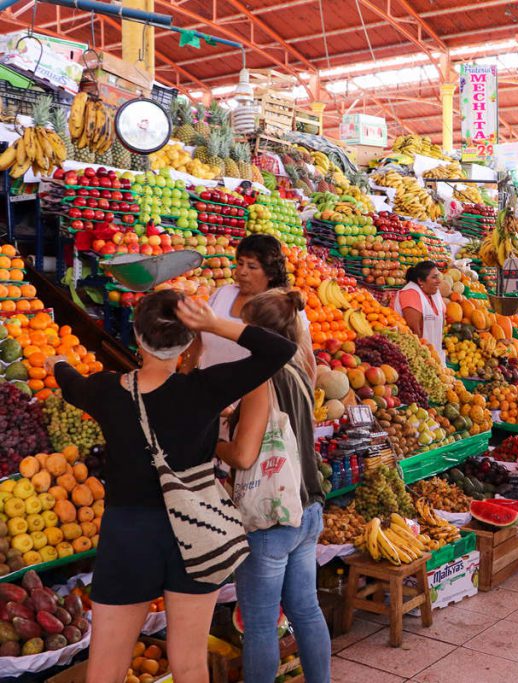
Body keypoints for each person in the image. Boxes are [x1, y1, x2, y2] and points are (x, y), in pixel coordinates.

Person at [50, 290, 296, 683]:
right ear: (188, 339)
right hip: (196, 531)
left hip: (128, 535)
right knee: (189, 664)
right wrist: (214, 324)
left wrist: (58, 362)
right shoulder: (204, 389)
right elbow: (280, 350)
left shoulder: (105, 390)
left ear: (136, 335)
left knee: (106, 669)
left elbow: (69, 382)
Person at [217, 290, 330, 683]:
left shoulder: (259, 380)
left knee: (262, 626)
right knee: (307, 611)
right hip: (308, 508)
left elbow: (244, 456)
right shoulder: (301, 372)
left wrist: (212, 439)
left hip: (271, 519)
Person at [183, 234, 313, 379]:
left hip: (255, 399)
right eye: (240, 263)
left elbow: (307, 362)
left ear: (270, 273)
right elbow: (197, 340)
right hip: (208, 391)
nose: (242, 272)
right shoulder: (223, 294)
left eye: (252, 266)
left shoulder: (284, 307)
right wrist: (183, 377)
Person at [393, 260, 447, 364]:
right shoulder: (410, 294)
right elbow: (414, 333)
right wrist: (424, 360)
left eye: (438, 276)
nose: (438, 281)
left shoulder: (434, 292)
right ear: (420, 281)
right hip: (414, 358)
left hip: (433, 356)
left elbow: (442, 320)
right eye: (434, 277)